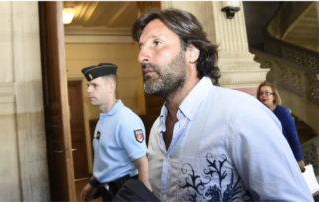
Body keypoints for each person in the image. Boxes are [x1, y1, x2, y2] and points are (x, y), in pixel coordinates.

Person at [132, 8, 313, 201]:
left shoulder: (242, 115)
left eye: (156, 43)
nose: (141, 56)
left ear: (191, 52)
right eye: (141, 47)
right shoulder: (156, 131)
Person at [80, 63, 151, 202]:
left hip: (126, 193)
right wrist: (91, 184)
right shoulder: (103, 120)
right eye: (88, 85)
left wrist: (142, 197)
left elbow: (143, 164)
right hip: (109, 194)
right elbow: (106, 161)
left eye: (95, 85)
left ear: (111, 87)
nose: (88, 90)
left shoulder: (126, 120)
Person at [257, 81, 305, 171]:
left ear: (274, 96)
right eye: (261, 93)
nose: (264, 95)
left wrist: (298, 159)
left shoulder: (283, 112)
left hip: (283, 155)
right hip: (266, 157)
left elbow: (292, 136)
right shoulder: (258, 113)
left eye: (267, 93)